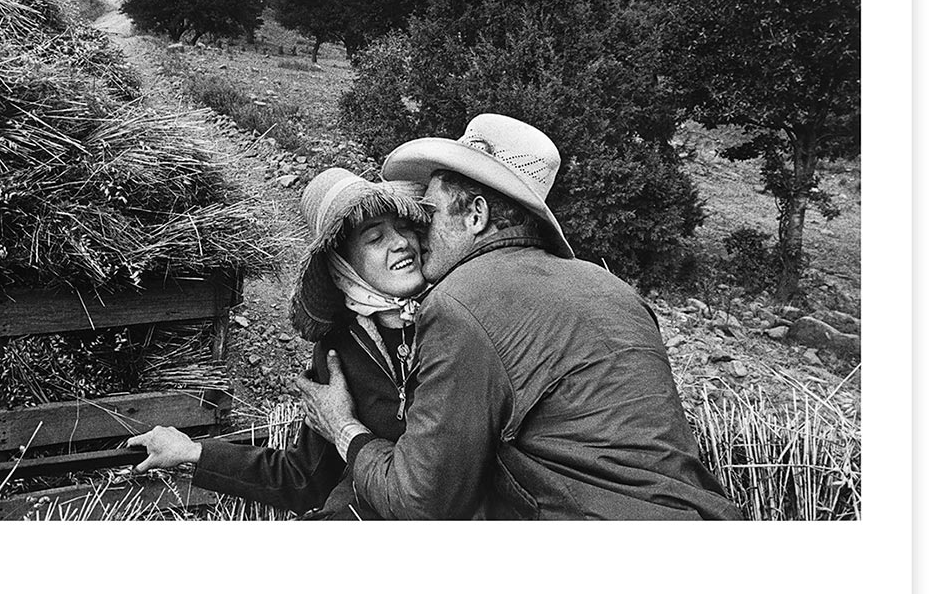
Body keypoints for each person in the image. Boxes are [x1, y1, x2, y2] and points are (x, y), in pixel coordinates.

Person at [294, 113, 742, 520]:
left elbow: (421, 502)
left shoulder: (459, 303)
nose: (418, 230)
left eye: (430, 214)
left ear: (475, 215)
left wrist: (343, 428)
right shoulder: (615, 290)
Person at [125, 167, 429, 519]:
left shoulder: (456, 320)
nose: (401, 242)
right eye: (375, 238)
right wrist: (194, 452)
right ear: (343, 264)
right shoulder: (339, 352)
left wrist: (345, 427)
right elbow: (304, 479)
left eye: (404, 226)